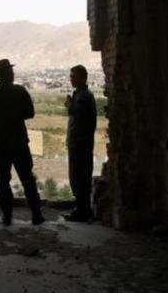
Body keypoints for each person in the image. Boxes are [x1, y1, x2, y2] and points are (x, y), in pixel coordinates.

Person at [0, 58, 44, 225]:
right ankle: (36, 214)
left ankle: (7, 216)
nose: (13, 73)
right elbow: (30, 113)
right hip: (18, 139)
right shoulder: (20, 91)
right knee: (27, 178)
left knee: (3, 180)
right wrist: (15, 115)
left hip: (1, 140)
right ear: (8, 74)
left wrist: (3, 117)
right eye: (11, 71)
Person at [64, 64, 97, 221]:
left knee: (78, 177)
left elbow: (80, 115)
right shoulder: (82, 94)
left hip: (79, 144)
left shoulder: (83, 96)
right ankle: (82, 209)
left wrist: (70, 106)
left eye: (73, 76)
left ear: (82, 78)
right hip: (79, 143)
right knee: (80, 176)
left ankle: (82, 211)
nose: (71, 79)